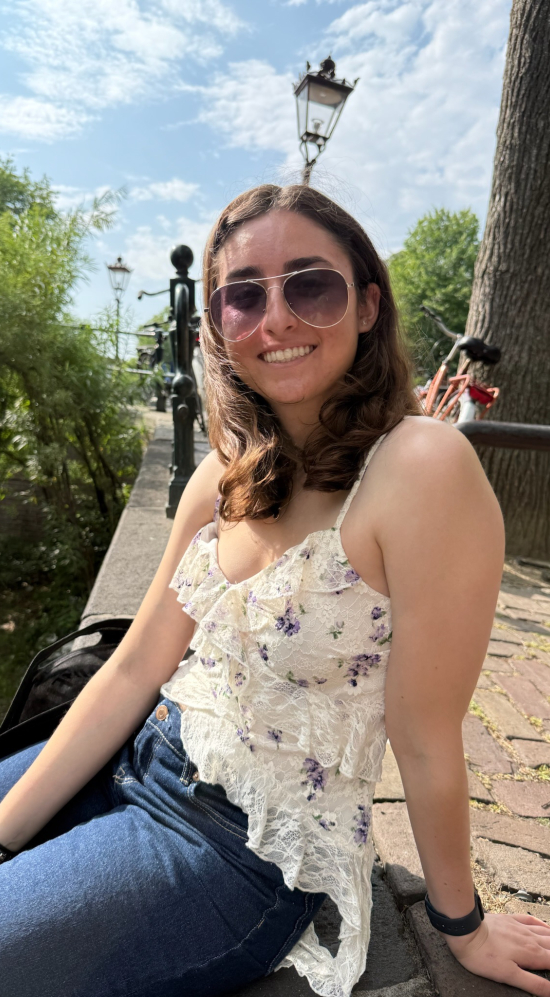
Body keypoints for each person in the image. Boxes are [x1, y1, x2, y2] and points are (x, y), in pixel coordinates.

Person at [0, 183, 548, 997]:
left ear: (367, 306)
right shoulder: (221, 475)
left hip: (238, 848)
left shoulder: (420, 468)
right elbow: (133, 669)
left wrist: (460, 923)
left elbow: (425, 733)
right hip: (133, 759)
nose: (277, 318)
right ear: (218, 325)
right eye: (243, 296)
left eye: (310, 285)